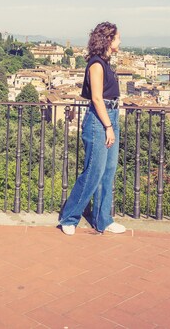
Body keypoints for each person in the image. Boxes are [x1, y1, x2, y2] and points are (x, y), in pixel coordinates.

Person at [58, 22, 126, 236]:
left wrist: (112, 123)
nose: (120, 41)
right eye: (117, 37)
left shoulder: (106, 63)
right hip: (100, 120)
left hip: (110, 116)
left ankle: (103, 220)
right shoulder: (96, 64)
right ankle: (69, 217)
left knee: (108, 171)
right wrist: (108, 126)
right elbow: (96, 98)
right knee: (93, 172)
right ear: (108, 40)